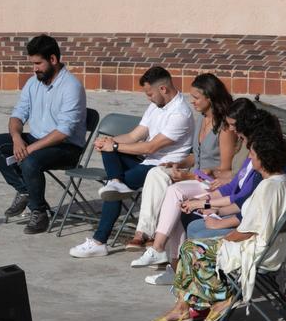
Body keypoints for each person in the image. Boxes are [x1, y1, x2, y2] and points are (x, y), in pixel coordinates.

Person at [142, 105, 286, 285]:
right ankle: (184, 281)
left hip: (256, 248)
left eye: (251, 151)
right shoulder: (276, 177)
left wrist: (218, 236)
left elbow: (249, 223)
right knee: (191, 221)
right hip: (264, 241)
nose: (248, 155)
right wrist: (208, 206)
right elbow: (243, 200)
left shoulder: (267, 184)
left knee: (194, 236)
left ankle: (197, 288)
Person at [151, 128, 286, 321]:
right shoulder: (280, 182)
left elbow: (247, 231)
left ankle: (213, 299)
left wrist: (223, 240)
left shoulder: (268, 188)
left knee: (190, 248)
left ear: (263, 159)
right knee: (195, 247)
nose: (250, 159)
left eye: (253, 155)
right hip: (268, 248)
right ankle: (189, 305)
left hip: (256, 251)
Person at [69, 66, 194, 258]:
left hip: (162, 168)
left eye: (149, 93)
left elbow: (150, 147)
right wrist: (108, 142)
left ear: (163, 89)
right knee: (110, 149)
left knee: (112, 189)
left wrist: (116, 146)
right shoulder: (155, 106)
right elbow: (134, 135)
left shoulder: (180, 113)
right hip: (145, 162)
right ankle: (116, 182)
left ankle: (99, 240)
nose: (148, 98)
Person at [0, 35, 88, 234]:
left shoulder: (71, 87)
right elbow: (17, 115)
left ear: (53, 60)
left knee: (30, 160)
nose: (35, 68)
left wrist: (28, 149)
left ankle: (39, 212)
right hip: (37, 139)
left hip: (66, 147)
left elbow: (63, 132)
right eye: (33, 63)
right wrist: (17, 139)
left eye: (38, 63)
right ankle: (25, 190)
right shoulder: (33, 83)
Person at [127, 73, 238, 254]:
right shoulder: (202, 118)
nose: (192, 102)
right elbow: (196, 155)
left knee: (173, 191)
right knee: (157, 172)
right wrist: (178, 163)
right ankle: (146, 234)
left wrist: (187, 175)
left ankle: (157, 244)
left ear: (210, 98)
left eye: (196, 97)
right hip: (196, 175)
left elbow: (224, 170)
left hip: (213, 182)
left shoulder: (225, 127)